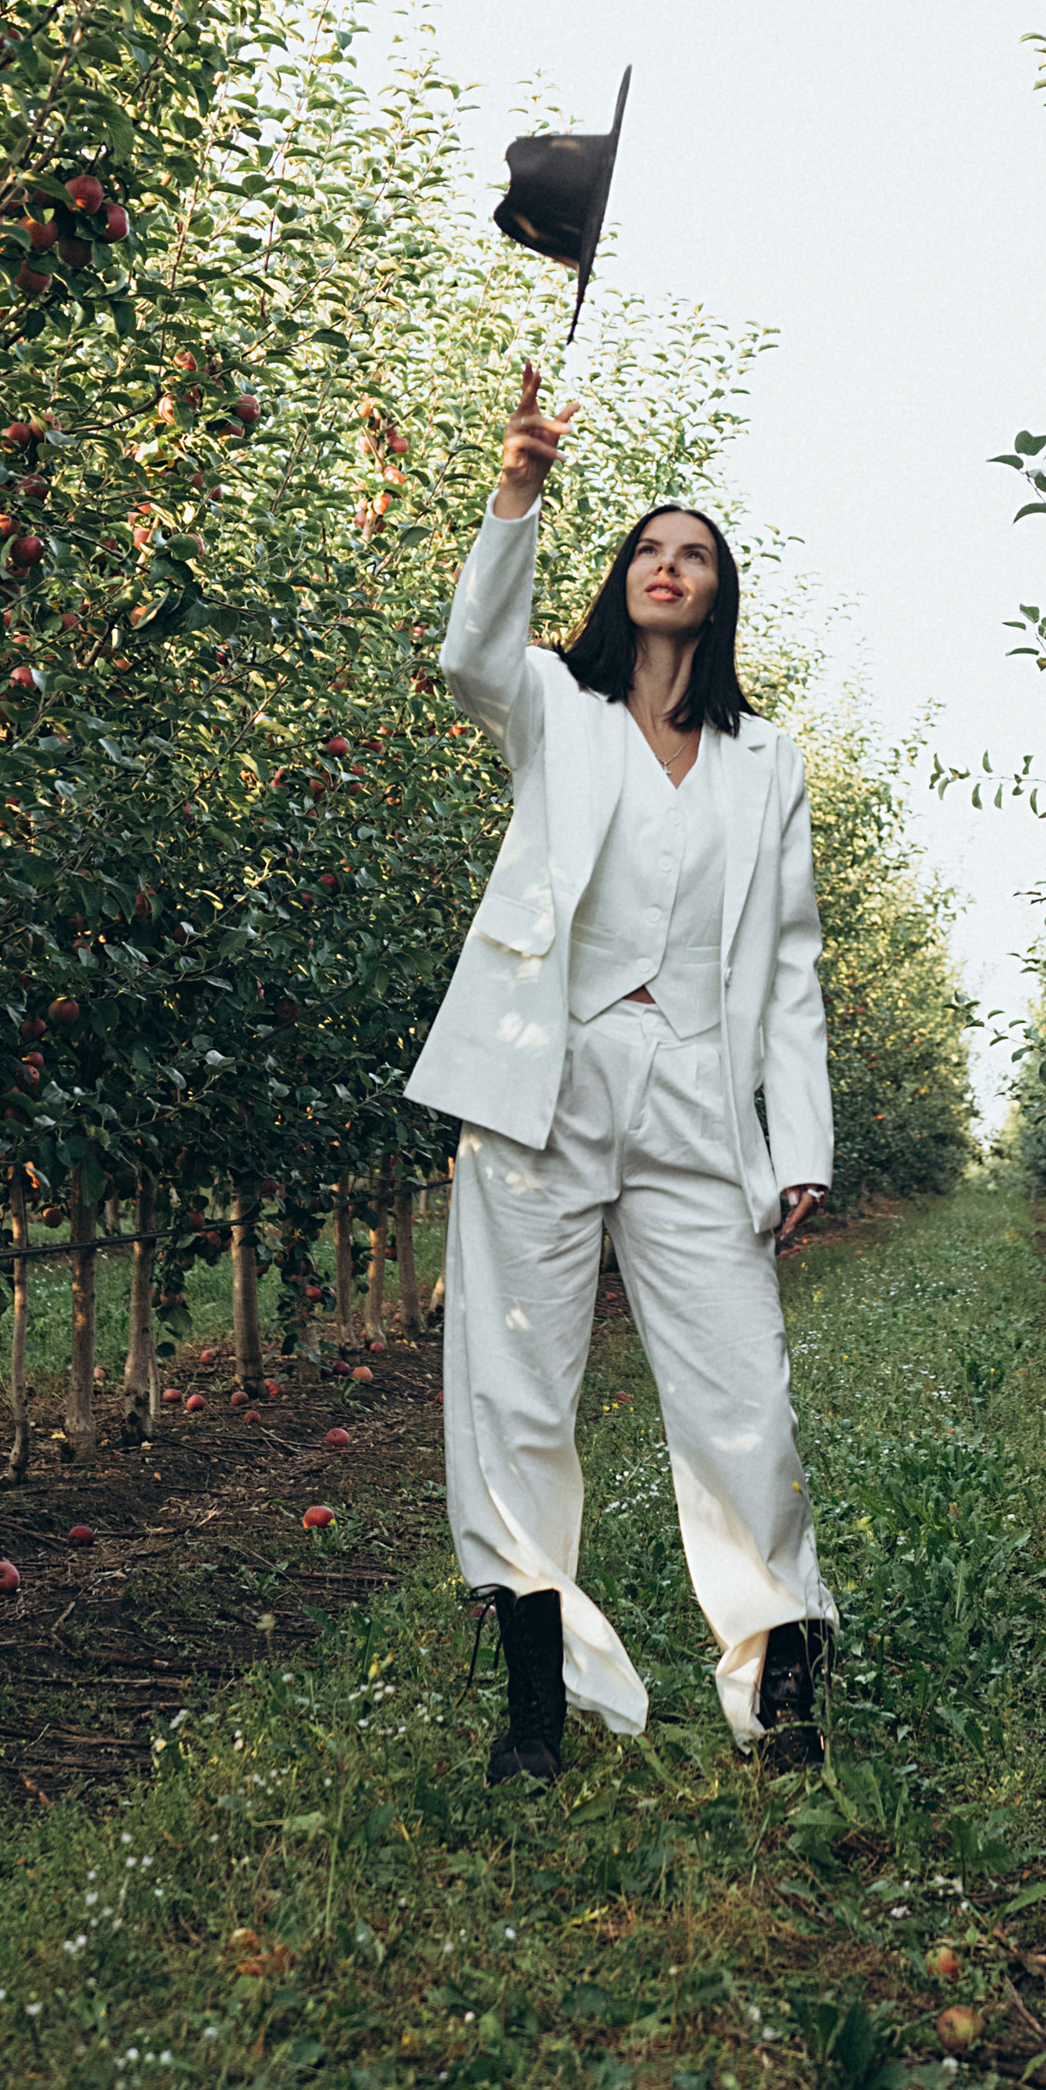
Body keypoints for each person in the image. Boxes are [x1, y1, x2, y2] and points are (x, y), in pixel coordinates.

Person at [406, 364, 835, 1781]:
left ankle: (778, 1673)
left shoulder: (762, 764)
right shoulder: (553, 704)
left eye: (694, 552)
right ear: (621, 579)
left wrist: (802, 1146)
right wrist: (516, 491)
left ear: (718, 593)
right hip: (543, 1072)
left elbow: (785, 965)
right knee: (518, 1382)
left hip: (698, 1094)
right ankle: (537, 1697)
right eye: (649, 547)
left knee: (742, 1390)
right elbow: (471, 650)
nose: (669, 565)